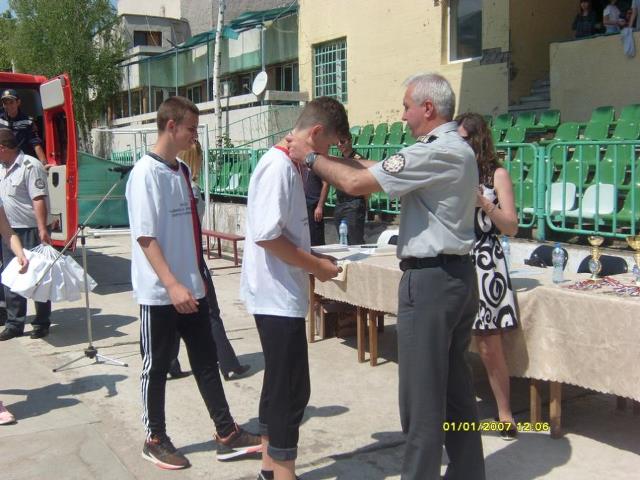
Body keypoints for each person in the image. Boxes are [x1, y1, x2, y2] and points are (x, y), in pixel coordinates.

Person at [287, 74, 485, 480]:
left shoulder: (436, 150)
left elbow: (356, 183)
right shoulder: (451, 148)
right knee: (455, 392)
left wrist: (309, 158)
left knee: (421, 401)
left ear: (427, 108)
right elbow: (373, 169)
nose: (403, 115)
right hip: (454, 277)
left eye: (407, 106)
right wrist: (329, 156)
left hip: (431, 283)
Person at [125, 96, 261, 470]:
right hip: (161, 293)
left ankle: (227, 433)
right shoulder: (145, 174)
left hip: (192, 288)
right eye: (191, 129)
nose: (194, 136)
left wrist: (196, 278)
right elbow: (146, 237)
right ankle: (155, 438)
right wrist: (171, 285)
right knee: (155, 366)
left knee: (205, 361)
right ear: (171, 126)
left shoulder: (182, 171)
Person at [241, 97, 347, 480]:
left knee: (279, 387)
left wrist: (314, 256)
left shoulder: (289, 166)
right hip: (275, 295)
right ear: (315, 133)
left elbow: (283, 233)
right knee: (290, 393)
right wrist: (316, 267)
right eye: (328, 146)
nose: (326, 156)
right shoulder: (279, 168)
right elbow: (268, 237)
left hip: (280, 292)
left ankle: (270, 471)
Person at [456, 112, 519, 440]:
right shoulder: (453, 171)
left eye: (464, 139)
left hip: (485, 260)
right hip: (455, 256)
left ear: (478, 140)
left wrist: (485, 204)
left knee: (488, 344)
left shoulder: (497, 174)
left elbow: (511, 226)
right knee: (450, 341)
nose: (459, 144)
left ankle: (505, 412)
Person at [174, 140, 251, 382]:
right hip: (192, 257)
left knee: (173, 312)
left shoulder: (175, 186)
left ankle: (170, 363)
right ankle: (227, 363)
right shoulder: (191, 188)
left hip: (176, 256)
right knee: (211, 312)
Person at [0, 129, 52, 341]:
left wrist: (42, 229)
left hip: (31, 228)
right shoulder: (2, 167)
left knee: (37, 278)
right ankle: (15, 323)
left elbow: (38, 199)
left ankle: (42, 322)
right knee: (12, 277)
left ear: (3, 148)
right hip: (9, 231)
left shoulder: (31, 166)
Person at [334, 135, 367, 245]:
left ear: (350, 141)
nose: (339, 144)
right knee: (343, 242)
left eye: (342, 141)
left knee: (355, 241)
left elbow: (365, 183)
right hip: (340, 203)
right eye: (337, 142)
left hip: (354, 203)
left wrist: (364, 204)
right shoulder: (339, 160)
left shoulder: (359, 160)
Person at [0, 89, 47, 165]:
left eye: (11, 102)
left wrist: (44, 164)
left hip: (22, 162)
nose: (8, 106)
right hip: (3, 162)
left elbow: (35, 144)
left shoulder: (28, 121)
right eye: (5, 103)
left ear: (18, 102)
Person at [302, 165, 329, 246]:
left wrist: (320, 206)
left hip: (314, 206)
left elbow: (326, 184)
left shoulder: (318, 166)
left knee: (316, 238)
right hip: (304, 205)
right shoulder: (301, 166)